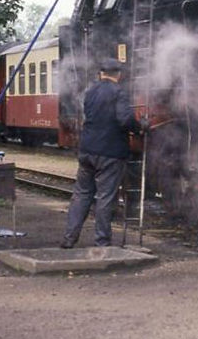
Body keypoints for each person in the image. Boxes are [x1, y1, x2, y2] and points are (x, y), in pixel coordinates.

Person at [61, 58, 143, 248]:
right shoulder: (119, 93)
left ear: (101, 73)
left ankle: (69, 238)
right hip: (110, 153)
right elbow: (124, 120)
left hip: (87, 150)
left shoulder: (90, 92)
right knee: (105, 198)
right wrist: (139, 127)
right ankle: (102, 242)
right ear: (119, 75)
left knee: (81, 195)